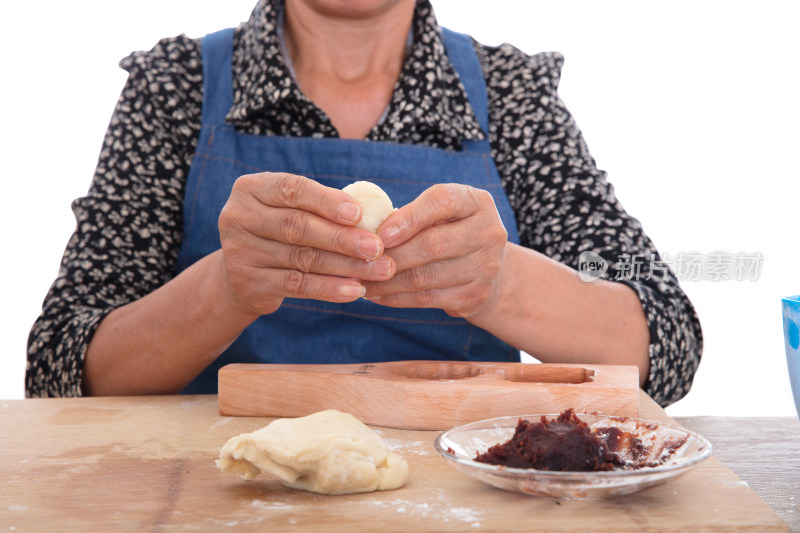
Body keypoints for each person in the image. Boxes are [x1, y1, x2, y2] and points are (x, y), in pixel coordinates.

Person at [26, 0, 702, 406]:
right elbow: (60, 371)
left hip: (467, 500)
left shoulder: (509, 94)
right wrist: (225, 289)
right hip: (217, 495)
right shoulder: (174, 87)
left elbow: (666, 345)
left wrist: (498, 282)